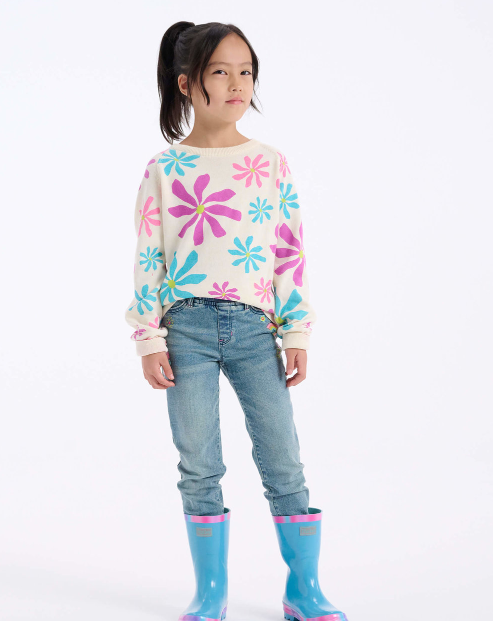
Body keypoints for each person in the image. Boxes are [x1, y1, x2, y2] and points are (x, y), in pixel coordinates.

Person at [124, 20, 348, 621]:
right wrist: (148, 338)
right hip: (185, 330)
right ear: (186, 83)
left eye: (245, 71)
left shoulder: (269, 164)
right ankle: (211, 594)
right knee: (198, 461)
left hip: (255, 331)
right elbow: (149, 257)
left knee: (283, 457)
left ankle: (304, 590)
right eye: (220, 71)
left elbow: (287, 252)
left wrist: (296, 330)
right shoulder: (164, 168)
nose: (236, 84)